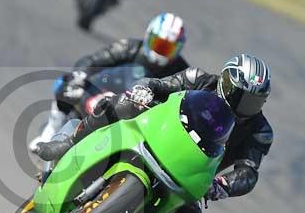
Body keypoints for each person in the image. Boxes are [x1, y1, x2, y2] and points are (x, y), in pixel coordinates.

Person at [34, 54, 274, 213]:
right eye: (242, 97)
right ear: (226, 83)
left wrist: (223, 185)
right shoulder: (197, 78)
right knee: (120, 104)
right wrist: (145, 91)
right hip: (155, 131)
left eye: (253, 102)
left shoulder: (259, 131)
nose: (246, 107)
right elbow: (158, 84)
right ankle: (67, 144)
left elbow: (249, 172)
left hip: (190, 171)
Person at [29, 12, 188, 151]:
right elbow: (90, 61)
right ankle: (49, 133)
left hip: (138, 116)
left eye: (168, 48)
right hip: (100, 98)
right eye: (158, 44)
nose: (161, 52)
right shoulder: (128, 47)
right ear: (148, 35)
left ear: (178, 49)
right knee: (66, 84)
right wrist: (81, 75)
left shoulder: (181, 69)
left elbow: (189, 99)